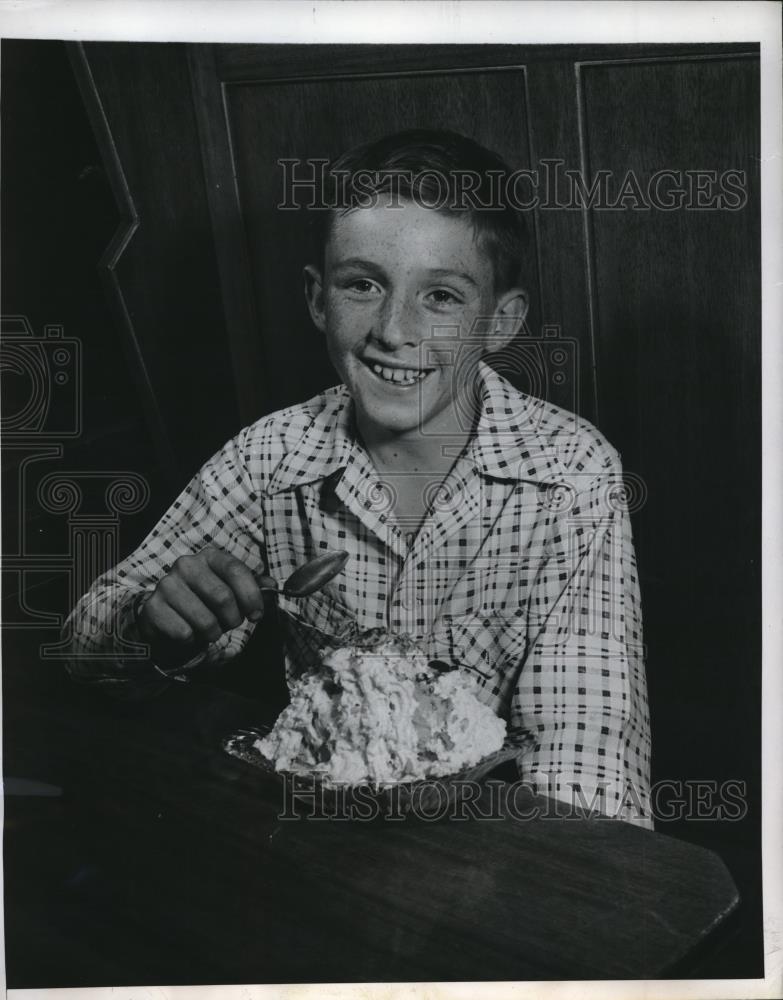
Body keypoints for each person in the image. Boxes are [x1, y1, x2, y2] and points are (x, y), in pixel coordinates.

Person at [64, 129, 651, 826]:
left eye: (440, 297)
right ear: (318, 299)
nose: (393, 331)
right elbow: (85, 651)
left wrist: (562, 894)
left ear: (500, 321)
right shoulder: (271, 456)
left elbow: (585, 745)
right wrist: (152, 625)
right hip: (319, 826)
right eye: (363, 284)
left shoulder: (570, 475)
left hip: (496, 841)